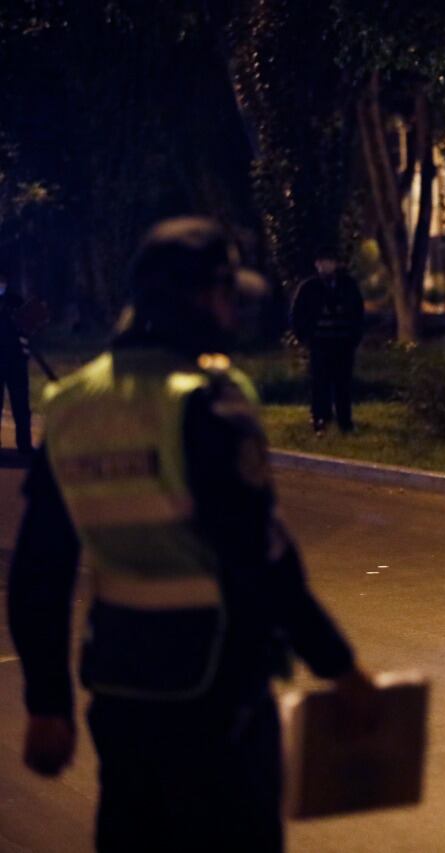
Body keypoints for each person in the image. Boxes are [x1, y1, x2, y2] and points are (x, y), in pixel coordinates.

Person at [8, 217, 374, 851]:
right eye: (228, 294)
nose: (233, 311)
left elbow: (40, 570)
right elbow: (260, 557)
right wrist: (340, 668)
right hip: (219, 695)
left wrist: (47, 704)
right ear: (203, 298)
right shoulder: (206, 401)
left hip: (120, 689)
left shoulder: (72, 404)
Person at [289, 250, 365, 435]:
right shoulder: (309, 287)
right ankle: (319, 418)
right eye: (322, 261)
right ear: (317, 264)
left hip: (343, 343)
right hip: (320, 344)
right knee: (319, 382)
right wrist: (305, 338)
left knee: (343, 383)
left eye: (329, 261)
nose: (326, 265)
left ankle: (345, 421)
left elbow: (358, 312)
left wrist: (354, 338)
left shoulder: (347, 285)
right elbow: (297, 314)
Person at [0, 272, 33, 453]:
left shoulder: (15, 301)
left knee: (21, 406)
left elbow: (29, 327)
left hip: (16, 361)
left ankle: (24, 444)